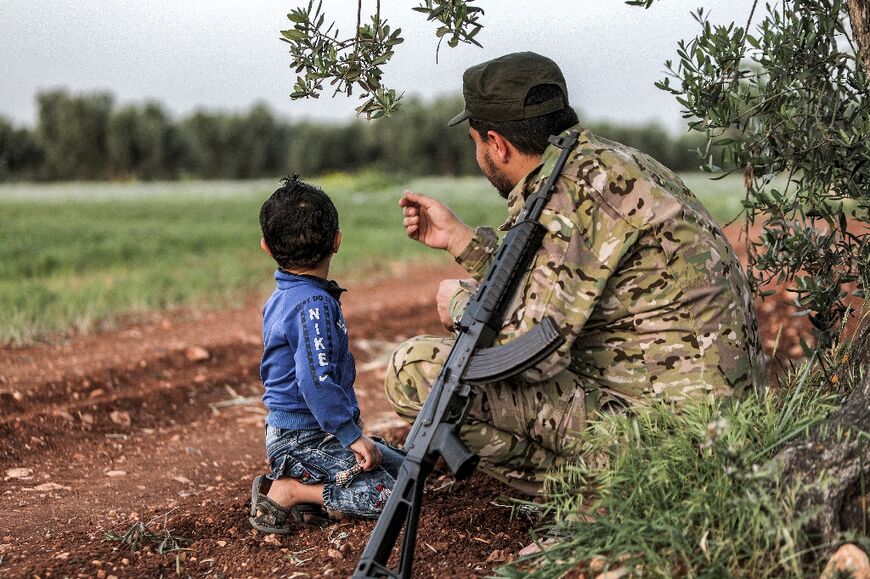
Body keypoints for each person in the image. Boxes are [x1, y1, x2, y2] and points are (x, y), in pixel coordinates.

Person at [385, 52, 766, 494]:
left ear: (496, 143)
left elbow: (529, 358)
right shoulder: (608, 164)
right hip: (721, 427)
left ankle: (603, 497)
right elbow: (557, 279)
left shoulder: (568, 194)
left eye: (476, 143)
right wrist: (463, 242)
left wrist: (459, 303)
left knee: (414, 369)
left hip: (677, 449)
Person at [250, 175, 404, 534]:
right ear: (337, 240)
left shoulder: (286, 295)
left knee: (411, 472)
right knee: (393, 497)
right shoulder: (313, 305)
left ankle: (310, 488)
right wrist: (351, 435)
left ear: (266, 247)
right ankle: (291, 491)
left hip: (310, 433)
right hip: (302, 438)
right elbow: (315, 382)